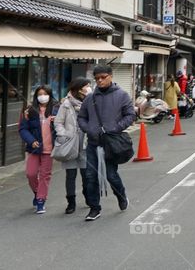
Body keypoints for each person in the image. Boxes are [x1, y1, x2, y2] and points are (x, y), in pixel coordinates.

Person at [77, 65, 136, 222]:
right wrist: (88, 128)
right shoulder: (90, 98)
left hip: (111, 143)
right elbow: (81, 117)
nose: (100, 81)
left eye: (103, 77)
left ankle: (121, 195)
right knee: (90, 176)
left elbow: (130, 115)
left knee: (111, 175)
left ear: (111, 76)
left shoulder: (122, 95)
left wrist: (115, 128)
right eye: (97, 78)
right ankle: (95, 208)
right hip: (93, 143)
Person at [55, 78, 92, 214]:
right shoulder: (66, 104)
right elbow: (58, 122)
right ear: (79, 88)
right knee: (70, 174)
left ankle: (88, 196)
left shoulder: (90, 101)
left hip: (85, 143)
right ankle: (71, 202)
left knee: (86, 174)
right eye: (86, 86)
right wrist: (63, 135)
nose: (89, 88)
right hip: (69, 144)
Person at [19, 85, 57, 214]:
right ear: (36, 96)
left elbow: (65, 124)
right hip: (34, 148)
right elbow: (23, 129)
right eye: (40, 94)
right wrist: (31, 140)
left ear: (50, 95)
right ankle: (37, 192)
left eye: (45, 93)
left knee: (45, 176)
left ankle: (41, 200)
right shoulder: (29, 110)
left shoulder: (57, 109)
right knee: (31, 173)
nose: (43, 96)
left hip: (49, 149)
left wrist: (56, 122)